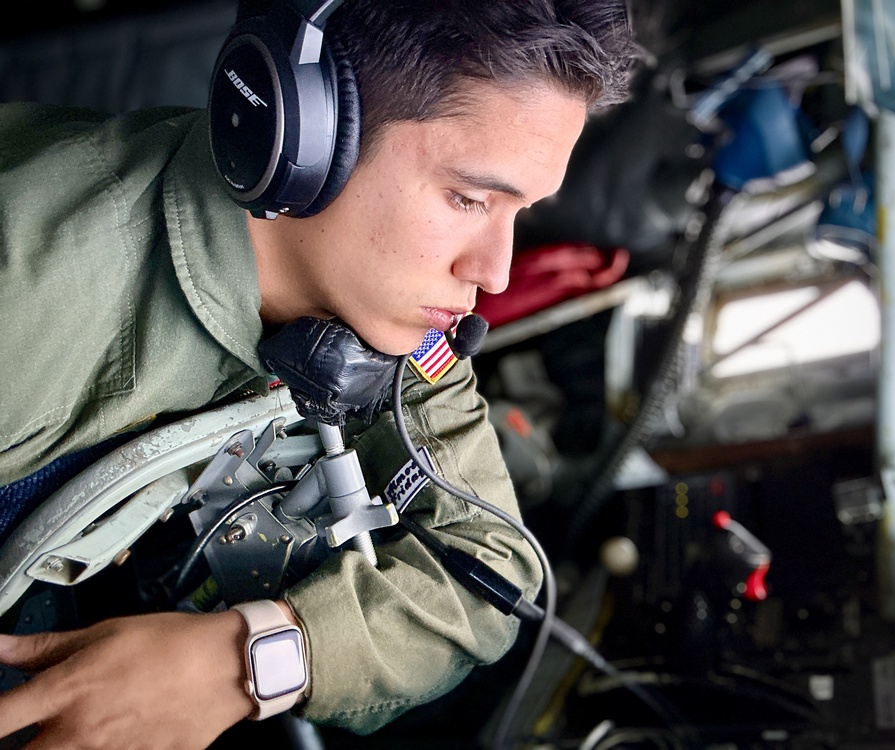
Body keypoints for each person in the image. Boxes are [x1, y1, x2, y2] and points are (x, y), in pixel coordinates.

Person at [0, 0, 636, 747]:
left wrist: (244, 662)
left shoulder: (391, 332)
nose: (494, 273)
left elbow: (490, 574)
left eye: (518, 212)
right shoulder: (30, 288)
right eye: (468, 199)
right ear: (297, 132)